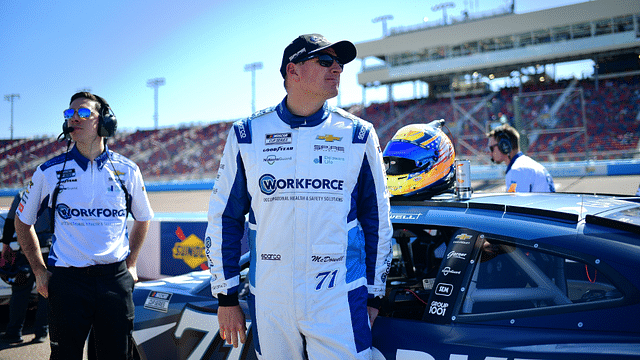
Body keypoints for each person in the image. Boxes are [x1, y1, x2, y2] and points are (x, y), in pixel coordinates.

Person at [205, 34, 393, 359]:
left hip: (339, 294)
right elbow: (225, 219)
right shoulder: (248, 133)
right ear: (293, 71)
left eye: (340, 63)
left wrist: (374, 295)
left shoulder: (358, 134)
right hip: (270, 295)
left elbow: (377, 218)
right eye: (325, 61)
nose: (337, 69)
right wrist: (226, 297)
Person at [15, 92, 154, 360]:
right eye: (69, 114)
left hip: (114, 281)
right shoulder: (48, 171)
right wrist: (39, 270)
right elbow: (23, 222)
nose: (74, 118)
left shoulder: (128, 170)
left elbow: (143, 217)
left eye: (83, 113)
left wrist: (132, 263)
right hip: (67, 283)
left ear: (104, 122)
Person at [0, 190, 49, 344]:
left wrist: (6, 245)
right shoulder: (55, 192)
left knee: (20, 291)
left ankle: (14, 332)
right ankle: (42, 332)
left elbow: (10, 221)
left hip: (28, 250)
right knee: (46, 291)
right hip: (51, 249)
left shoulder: (23, 194)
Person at [487, 124, 555, 193]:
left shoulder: (518, 170)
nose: (490, 153)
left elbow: (516, 203)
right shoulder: (526, 165)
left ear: (504, 146)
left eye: (491, 148)